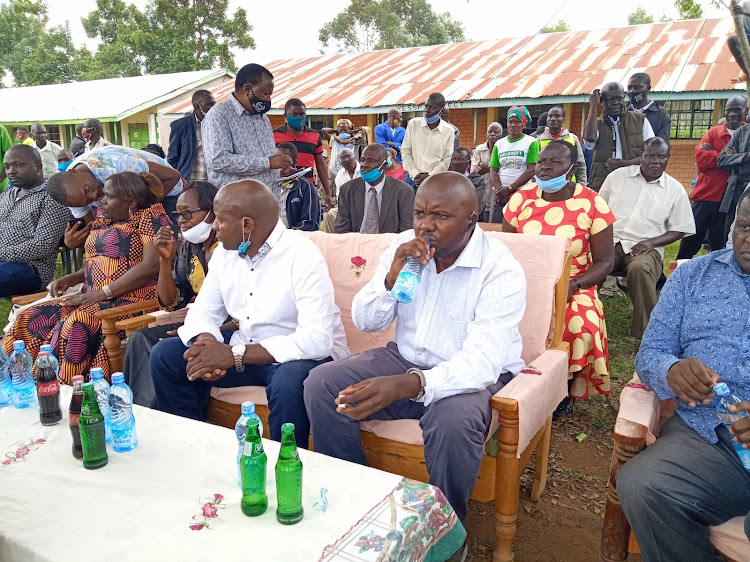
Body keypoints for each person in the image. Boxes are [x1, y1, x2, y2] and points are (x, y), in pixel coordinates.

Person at [304, 172, 526, 533]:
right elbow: (366, 321)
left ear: (471, 216)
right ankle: (355, 496)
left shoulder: (500, 269)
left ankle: (445, 530)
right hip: (406, 358)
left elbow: (482, 362)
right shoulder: (407, 250)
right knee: (323, 384)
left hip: (472, 375)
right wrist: (390, 278)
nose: (426, 226)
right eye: (420, 214)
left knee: (453, 422)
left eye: (440, 216)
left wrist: (408, 385)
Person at [149, 180, 349, 448]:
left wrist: (232, 355)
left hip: (301, 358)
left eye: (219, 220)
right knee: (166, 357)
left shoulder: (301, 255)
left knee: (288, 382)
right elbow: (203, 312)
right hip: (246, 352)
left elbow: (316, 340)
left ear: (247, 225)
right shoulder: (225, 255)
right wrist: (208, 347)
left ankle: (288, 465)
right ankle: (191, 447)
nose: (214, 227)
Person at [617, 188, 750, 562]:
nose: (748, 240)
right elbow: (651, 351)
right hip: (705, 433)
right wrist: (670, 370)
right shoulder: (693, 276)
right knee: (643, 485)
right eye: (743, 226)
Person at [1, 171, 171, 384]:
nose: (101, 200)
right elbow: (98, 261)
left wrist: (101, 294)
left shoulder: (150, 216)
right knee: (31, 317)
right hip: (92, 297)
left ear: (131, 201)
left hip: (132, 299)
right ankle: (17, 382)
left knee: (77, 323)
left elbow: (151, 265)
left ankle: (65, 390)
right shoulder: (104, 220)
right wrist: (70, 279)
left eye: (108, 196)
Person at [503, 141, 616, 415]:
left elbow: (605, 261)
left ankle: (565, 384)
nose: (545, 168)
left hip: (577, 282)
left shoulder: (592, 203)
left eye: (554, 162)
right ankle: (515, 375)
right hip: (526, 281)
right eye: (542, 161)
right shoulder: (520, 199)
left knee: (580, 323)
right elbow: (506, 250)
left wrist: (573, 285)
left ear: (572, 168)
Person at [123, 180, 219, 408]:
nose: (181, 222)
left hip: (224, 328)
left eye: (188, 214)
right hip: (198, 324)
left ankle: (161, 412)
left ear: (213, 212)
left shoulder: (229, 248)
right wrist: (165, 260)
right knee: (139, 338)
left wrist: (196, 331)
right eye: (178, 215)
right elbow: (172, 303)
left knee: (162, 347)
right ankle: (139, 409)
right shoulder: (189, 248)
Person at [599, 137, 695, 338]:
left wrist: (651, 242)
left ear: (668, 158)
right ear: (641, 156)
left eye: (661, 156)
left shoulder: (675, 190)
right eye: (650, 155)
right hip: (611, 240)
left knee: (640, 269)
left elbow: (680, 228)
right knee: (592, 262)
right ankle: (581, 318)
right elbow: (598, 210)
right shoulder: (618, 177)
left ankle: (648, 334)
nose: (655, 161)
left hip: (645, 247)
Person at [46, 145, 183, 250]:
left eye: (87, 190)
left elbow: (173, 176)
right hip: (132, 202)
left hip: (165, 189)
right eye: (88, 201)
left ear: (73, 172)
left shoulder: (116, 165)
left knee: (159, 244)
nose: (95, 197)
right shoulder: (71, 194)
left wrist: (145, 210)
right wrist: (74, 243)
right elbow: (96, 231)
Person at [201, 63, 291, 202]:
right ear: (248, 90)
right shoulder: (219, 115)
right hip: (237, 206)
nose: (268, 99)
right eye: (265, 94)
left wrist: (280, 171)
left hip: (267, 203)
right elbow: (218, 160)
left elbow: (267, 159)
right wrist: (267, 163)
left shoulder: (263, 119)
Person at [678, 95, 748, 259]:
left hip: (732, 201)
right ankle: (676, 273)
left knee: (721, 243)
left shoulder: (747, 134)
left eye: (737, 110)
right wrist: (730, 158)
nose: (732, 114)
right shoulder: (714, 132)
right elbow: (701, 160)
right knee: (690, 239)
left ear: (745, 111)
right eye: (728, 110)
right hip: (707, 195)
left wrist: (726, 158)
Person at [0, 145, 71, 297]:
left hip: (31, 269)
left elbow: (42, 245)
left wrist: (1, 253)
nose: (11, 171)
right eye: (7, 166)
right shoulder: (6, 195)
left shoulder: (52, 197)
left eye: (19, 165)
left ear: (38, 166)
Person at [583, 83, 655, 191]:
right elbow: (589, 140)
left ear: (624, 98)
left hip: (634, 181)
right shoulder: (596, 123)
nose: (616, 103)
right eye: (610, 99)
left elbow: (652, 155)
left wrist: (625, 164)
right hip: (603, 183)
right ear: (602, 101)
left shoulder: (640, 120)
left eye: (619, 98)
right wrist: (593, 105)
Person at [334, 143, 414, 234]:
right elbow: (341, 230)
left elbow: (406, 232)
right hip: (356, 244)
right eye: (362, 160)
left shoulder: (404, 192)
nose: (364, 165)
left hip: (389, 245)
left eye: (370, 160)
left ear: (384, 165)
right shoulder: (347, 190)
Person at [273, 99, 332, 211]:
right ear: (285, 115)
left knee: (309, 222)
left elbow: (320, 165)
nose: (298, 117)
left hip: (307, 188)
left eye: (302, 114)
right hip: (283, 188)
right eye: (294, 114)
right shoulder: (274, 135)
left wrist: (328, 193)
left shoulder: (314, 135)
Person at [489, 106, 539, 222]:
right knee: (496, 226)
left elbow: (531, 169)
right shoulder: (499, 144)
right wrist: (499, 191)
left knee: (519, 224)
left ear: (524, 124)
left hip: (522, 191)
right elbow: (493, 170)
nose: (513, 125)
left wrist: (510, 189)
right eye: (510, 122)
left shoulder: (531, 142)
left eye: (517, 122)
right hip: (499, 195)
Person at [401, 93, 454, 189]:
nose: (427, 110)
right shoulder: (414, 124)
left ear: (441, 109)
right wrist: (415, 174)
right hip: (412, 179)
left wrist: (429, 176)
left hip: (434, 181)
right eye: (426, 106)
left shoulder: (448, 131)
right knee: (406, 204)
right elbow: (405, 151)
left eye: (432, 107)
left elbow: (446, 159)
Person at [167, 89, 216, 182]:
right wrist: (177, 182)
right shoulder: (180, 126)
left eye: (214, 104)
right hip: (191, 181)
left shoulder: (218, 124)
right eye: (209, 104)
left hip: (214, 181)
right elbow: (172, 158)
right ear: (197, 106)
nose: (213, 108)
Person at [717, 112, 750, 239]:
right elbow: (722, 160)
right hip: (737, 191)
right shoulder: (742, 132)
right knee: (731, 235)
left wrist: (736, 157)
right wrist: (744, 156)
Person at [536, 106, 587, 185]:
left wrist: (582, 185)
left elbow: (580, 164)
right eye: (550, 116)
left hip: (569, 184)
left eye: (557, 116)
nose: (553, 119)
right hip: (546, 185)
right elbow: (535, 165)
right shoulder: (539, 140)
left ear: (563, 119)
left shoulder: (572, 138)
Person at [275, 142, 320, 231]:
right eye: (277, 161)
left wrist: (289, 236)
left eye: (284, 162)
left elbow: (309, 222)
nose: (279, 165)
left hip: (296, 237)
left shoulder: (306, 187)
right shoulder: (270, 185)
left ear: (294, 163)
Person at [471, 122, 503, 221]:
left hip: (497, 191)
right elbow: (474, 172)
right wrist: (494, 169)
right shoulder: (479, 149)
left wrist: (484, 165)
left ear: (501, 135)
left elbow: (503, 171)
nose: (492, 134)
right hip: (482, 190)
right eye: (490, 132)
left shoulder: (503, 149)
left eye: (496, 132)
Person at [322, 148, 359, 233]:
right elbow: (340, 197)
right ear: (340, 162)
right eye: (343, 158)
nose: (346, 160)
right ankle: (330, 240)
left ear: (354, 157)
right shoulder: (340, 175)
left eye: (348, 156)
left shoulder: (363, 171)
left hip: (362, 207)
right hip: (346, 208)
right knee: (329, 214)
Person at [627, 72, 671, 142]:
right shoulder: (624, 112)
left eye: (637, 87)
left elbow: (663, 143)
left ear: (648, 88)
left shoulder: (661, 113)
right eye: (629, 88)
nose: (632, 91)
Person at [449, 147, 485, 218]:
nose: (456, 162)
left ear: (468, 163)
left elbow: (477, 204)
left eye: (460, 159)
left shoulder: (477, 181)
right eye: (454, 159)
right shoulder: (444, 179)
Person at [728, 2, 750, 83]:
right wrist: (734, 10)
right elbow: (737, 7)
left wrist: (744, 12)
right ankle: (746, 72)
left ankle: (743, 76)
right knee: (731, 40)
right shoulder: (745, 2)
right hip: (746, 38)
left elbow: (741, 11)